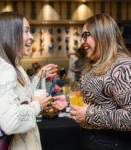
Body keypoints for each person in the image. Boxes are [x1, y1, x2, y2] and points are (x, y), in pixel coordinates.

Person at [52, 14, 131, 150]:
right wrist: (69, 101)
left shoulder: (122, 67)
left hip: (112, 142)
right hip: (92, 139)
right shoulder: (97, 62)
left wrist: (89, 115)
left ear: (102, 35)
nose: (82, 42)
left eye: (86, 35)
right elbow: (95, 98)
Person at [0, 12, 57, 150]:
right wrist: (37, 106)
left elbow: (22, 95)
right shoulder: (4, 70)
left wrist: (38, 77)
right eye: (26, 31)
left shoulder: (13, 66)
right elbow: (11, 122)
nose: (32, 37)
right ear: (9, 34)